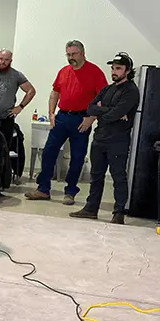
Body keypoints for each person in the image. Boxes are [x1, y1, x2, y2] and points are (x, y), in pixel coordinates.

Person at [26, 40, 108, 205]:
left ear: (83, 53)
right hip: (62, 117)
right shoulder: (64, 71)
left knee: (77, 157)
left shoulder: (95, 72)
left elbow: (102, 99)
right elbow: (54, 93)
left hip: (82, 119)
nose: (71, 58)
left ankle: (70, 191)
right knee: (49, 152)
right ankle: (43, 189)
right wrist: (51, 113)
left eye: (74, 54)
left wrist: (91, 118)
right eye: (68, 54)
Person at [70, 53, 141, 225]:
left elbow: (112, 115)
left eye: (118, 68)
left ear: (127, 70)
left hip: (118, 140)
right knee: (96, 175)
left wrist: (106, 111)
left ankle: (118, 213)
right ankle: (91, 209)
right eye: (113, 68)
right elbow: (90, 108)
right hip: (100, 138)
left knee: (118, 176)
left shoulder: (131, 91)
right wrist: (109, 111)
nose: (114, 72)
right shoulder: (107, 89)